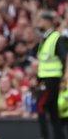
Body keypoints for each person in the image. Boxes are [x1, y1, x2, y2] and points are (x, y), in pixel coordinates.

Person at [36, 11, 68, 139]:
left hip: (52, 79)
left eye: (40, 20)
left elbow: (65, 57)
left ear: (47, 22)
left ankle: (45, 137)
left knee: (40, 106)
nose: (38, 23)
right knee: (53, 112)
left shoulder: (56, 38)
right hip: (45, 78)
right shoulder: (45, 38)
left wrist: (65, 75)